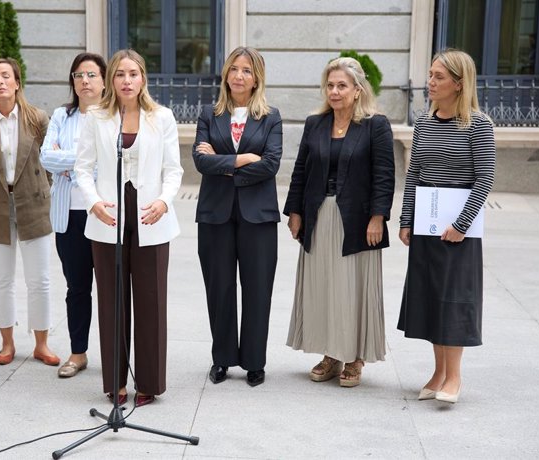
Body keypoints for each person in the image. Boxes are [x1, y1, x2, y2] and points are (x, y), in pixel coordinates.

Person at [74, 49, 183, 407]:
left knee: (151, 304)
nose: (126, 80)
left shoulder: (161, 117)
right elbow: (82, 168)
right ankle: (115, 382)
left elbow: (173, 170)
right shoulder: (97, 117)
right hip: (109, 222)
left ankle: (149, 382)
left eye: (133, 74)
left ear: (143, 79)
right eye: (120, 74)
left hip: (152, 220)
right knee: (111, 303)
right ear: (111, 80)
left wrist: (165, 201)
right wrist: (93, 202)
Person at [283, 57, 395, 388]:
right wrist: (295, 212)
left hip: (358, 221)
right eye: (330, 85)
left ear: (358, 90)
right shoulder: (315, 124)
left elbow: (384, 176)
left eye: (342, 85)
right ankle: (332, 355)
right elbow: (300, 170)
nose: (334, 91)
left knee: (352, 289)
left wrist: (378, 217)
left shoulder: (376, 125)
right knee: (323, 288)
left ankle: (354, 357)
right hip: (319, 216)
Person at [398, 49, 495, 404]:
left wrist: (461, 224)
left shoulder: (478, 125)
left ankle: (454, 377)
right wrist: (407, 219)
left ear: (458, 83)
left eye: (438, 77)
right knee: (431, 298)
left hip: (459, 229)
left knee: (453, 301)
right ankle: (438, 372)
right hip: (426, 222)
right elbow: (415, 173)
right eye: (430, 74)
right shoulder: (424, 122)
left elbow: (485, 178)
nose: (431, 82)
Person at [193, 46, 282, 387]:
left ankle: (255, 362)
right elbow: (201, 161)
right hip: (215, 213)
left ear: (256, 77)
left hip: (258, 215)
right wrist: (246, 159)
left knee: (258, 289)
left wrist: (227, 163)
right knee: (220, 287)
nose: (239, 76)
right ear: (225, 74)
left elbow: (271, 164)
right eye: (234, 69)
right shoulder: (208, 114)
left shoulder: (270, 117)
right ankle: (223, 359)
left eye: (246, 70)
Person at [0, 58, 58, 367]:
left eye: (6, 76)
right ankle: (7, 343)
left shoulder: (37, 118)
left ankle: (42, 344)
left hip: (33, 204)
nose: (0, 82)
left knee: (40, 280)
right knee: (1, 280)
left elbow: (48, 165)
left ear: (17, 83)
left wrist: (40, 191)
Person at [40, 52, 106, 378]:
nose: (85, 81)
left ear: (104, 81)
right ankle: (78, 353)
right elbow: (45, 158)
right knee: (77, 288)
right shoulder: (61, 116)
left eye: (92, 75)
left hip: (104, 215)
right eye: (79, 75)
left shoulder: (114, 117)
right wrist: (84, 162)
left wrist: (72, 163)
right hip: (69, 215)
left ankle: (115, 354)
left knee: (111, 290)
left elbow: (111, 161)